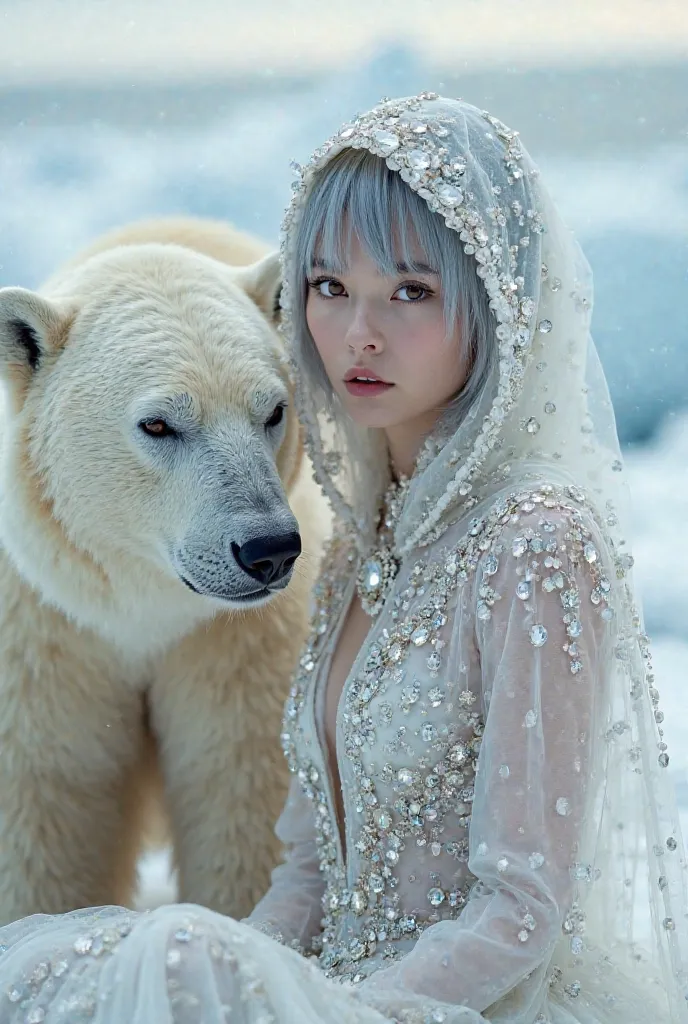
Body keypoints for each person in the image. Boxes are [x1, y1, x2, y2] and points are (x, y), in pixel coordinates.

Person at [0, 93, 685, 1024]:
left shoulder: (535, 545)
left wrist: (336, 1011)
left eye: (410, 291)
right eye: (328, 287)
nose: (359, 334)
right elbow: (308, 873)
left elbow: (524, 909)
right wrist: (229, 980)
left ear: (492, 298)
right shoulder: (357, 541)